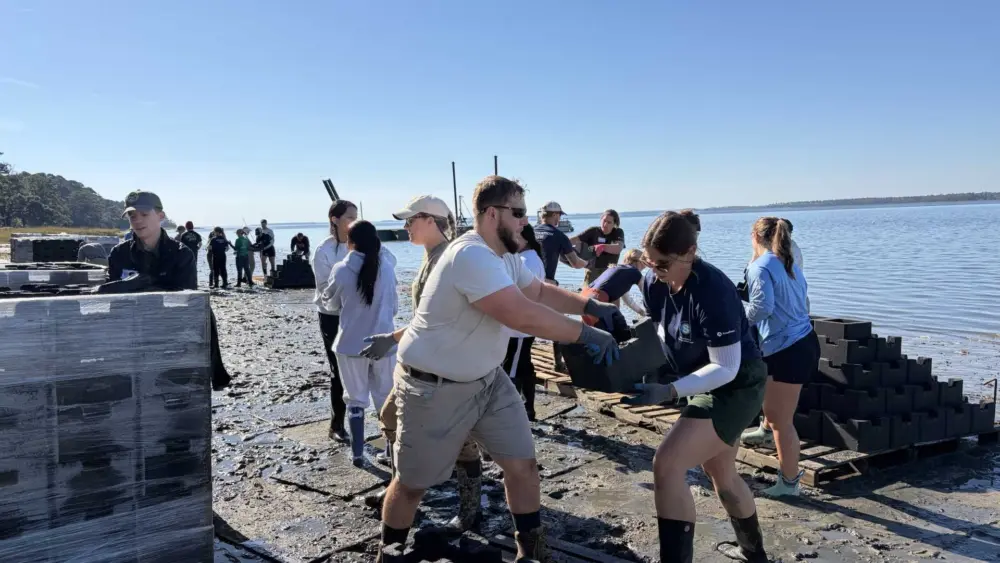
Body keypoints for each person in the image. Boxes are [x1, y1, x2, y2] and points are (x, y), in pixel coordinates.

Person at [369, 176, 623, 563]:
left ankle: (531, 553)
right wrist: (586, 334)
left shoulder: (504, 256)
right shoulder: (469, 255)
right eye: (518, 213)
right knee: (411, 485)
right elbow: (520, 314)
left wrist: (588, 305)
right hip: (432, 387)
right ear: (491, 214)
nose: (525, 221)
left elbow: (536, 292)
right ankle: (389, 555)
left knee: (523, 465)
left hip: (487, 379)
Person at [619, 211, 769, 563]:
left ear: (689, 251)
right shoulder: (655, 283)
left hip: (738, 383)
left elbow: (726, 367)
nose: (655, 271)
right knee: (721, 472)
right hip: (700, 377)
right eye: (650, 263)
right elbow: (658, 330)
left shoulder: (713, 290)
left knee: (667, 465)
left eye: (663, 264)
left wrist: (671, 391)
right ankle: (754, 554)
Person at [362, 195, 487, 531]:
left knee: (463, 440)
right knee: (390, 418)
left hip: (447, 367)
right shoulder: (430, 256)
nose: (405, 227)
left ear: (431, 220)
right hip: (426, 362)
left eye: (410, 220)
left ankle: (470, 511)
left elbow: (439, 321)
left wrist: (392, 338)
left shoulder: (448, 259)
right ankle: (400, 491)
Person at [103, 190, 231, 390]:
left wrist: (146, 285)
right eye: (132, 216)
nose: (137, 221)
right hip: (129, 329)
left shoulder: (181, 254)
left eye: (144, 215)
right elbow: (112, 302)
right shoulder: (119, 254)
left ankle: (216, 375)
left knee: (206, 312)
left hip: (170, 329)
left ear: (160, 217)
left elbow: (188, 303)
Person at [739, 218, 818, 498]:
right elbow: (803, 301)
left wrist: (738, 324)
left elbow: (761, 306)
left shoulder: (760, 266)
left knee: (782, 421)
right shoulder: (788, 262)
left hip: (789, 347)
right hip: (800, 341)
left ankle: (788, 484)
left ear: (754, 237)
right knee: (774, 415)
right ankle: (767, 436)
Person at [323, 221, 398, 467]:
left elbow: (330, 304)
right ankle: (390, 451)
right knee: (385, 397)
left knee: (355, 399)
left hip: (350, 344)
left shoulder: (341, 269)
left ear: (350, 241)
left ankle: (357, 453)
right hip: (384, 342)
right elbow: (395, 307)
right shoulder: (387, 267)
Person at [312, 200, 359, 442]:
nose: (355, 221)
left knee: (362, 369)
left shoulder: (360, 246)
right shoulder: (324, 250)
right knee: (338, 370)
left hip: (358, 316)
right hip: (332, 316)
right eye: (350, 217)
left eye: (357, 216)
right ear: (335, 219)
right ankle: (337, 425)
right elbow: (324, 291)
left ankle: (363, 420)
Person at [534, 201, 588, 374]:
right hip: (547, 284)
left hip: (524, 282)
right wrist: (589, 262)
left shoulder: (530, 232)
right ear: (555, 215)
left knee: (525, 322)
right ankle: (558, 363)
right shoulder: (558, 235)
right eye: (559, 215)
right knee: (558, 323)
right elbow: (575, 262)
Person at [502, 224, 546, 421]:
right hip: (523, 324)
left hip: (519, 327)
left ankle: (513, 412)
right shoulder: (527, 258)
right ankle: (528, 409)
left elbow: (520, 293)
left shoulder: (527, 260)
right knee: (524, 366)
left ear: (525, 239)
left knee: (512, 368)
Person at [581, 248, 647, 323]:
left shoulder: (616, 268)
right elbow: (647, 294)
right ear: (638, 262)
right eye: (644, 263)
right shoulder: (635, 273)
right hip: (597, 300)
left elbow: (628, 300)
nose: (645, 267)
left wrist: (642, 312)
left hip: (584, 298)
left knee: (589, 328)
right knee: (615, 327)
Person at [572, 209, 625, 286]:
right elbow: (574, 240)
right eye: (604, 221)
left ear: (614, 224)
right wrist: (559, 242)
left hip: (610, 271)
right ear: (601, 220)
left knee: (611, 296)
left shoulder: (618, 232)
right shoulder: (593, 231)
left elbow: (618, 248)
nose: (605, 224)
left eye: (609, 222)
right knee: (587, 296)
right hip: (592, 271)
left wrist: (602, 247)